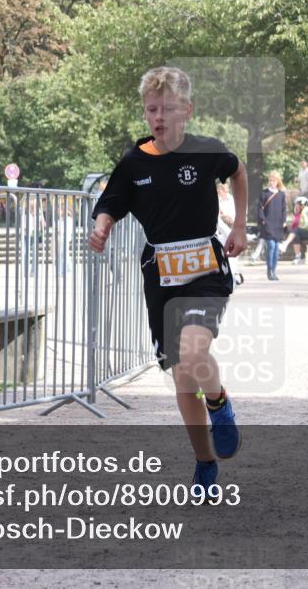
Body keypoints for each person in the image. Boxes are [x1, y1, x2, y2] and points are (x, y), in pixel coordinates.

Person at [89, 66, 246, 489]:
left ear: (187, 110)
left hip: (205, 270)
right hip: (160, 276)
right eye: (152, 109)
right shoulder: (134, 161)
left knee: (194, 353)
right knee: (181, 376)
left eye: (168, 109)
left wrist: (239, 225)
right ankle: (205, 464)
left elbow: (237, 170)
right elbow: (111, 203)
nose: (159, 117)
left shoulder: (206, 151)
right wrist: (102, 226)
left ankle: (219, 404)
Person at [258, 171, 287, 281]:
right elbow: (260, 208)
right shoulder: (264, 193)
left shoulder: (281, 194)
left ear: (277, 181)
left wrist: (284, 221)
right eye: (270, 180)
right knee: (271, 247)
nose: (271, 182)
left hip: (278, 224)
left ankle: (274, 271)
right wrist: (263, 220)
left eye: (273, 180)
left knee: (276, 249)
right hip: (268, 224)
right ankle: (269, 271)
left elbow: (284, 209)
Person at [215, 183, 242, 284]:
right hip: (221, 225)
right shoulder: (217, 199)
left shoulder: (231, 199)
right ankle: (231, 274)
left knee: (232, 248)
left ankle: (234, 274)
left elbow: (236, 211)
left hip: (230, 223)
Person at [280, 197, 308, 264]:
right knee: (295, 235)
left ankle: (285, 244)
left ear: (302, 204)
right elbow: (294, 227)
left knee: (296, 230)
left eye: (297, 204)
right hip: (299, 232)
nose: (295, 206)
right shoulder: (297, 214)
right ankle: (297, 257)